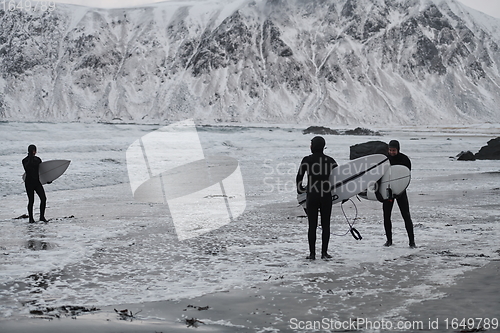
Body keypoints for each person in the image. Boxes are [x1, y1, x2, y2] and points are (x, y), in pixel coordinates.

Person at [296, 136, 338, 260]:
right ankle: (324, 253)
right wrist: (343, 194)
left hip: (312, 195)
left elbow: (299, 177)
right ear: (323, 146)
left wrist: (301, 191)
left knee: (312, 225)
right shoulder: (330, 161)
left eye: (311, 144)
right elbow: (340, 178)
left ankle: (312, 254)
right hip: (326, 195)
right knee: (326, 225)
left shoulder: (306, 160)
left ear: (313, 146)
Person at [383, 140, 415, 248]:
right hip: (387, 192)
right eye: (390, 150)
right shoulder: (384, 160)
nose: (392, 152)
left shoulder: (404, 159)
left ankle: (412, 242)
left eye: (394, 150)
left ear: (398, 149)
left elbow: (406, 177)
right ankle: (389, 241)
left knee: (406, 215)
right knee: (386, 216)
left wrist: (400, 189)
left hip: (401, 191)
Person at [22, 144, 48, 223]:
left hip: (36, 182)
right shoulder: (25, 160)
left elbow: (42, 171)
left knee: (43, 199)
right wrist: (30, 157)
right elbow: (28, 168)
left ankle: (42, 217)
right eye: (33, 151)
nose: (34, 152)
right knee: (31, 201)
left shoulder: (37, 160)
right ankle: (31, 219)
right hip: (29, 183)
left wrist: (48, 179)